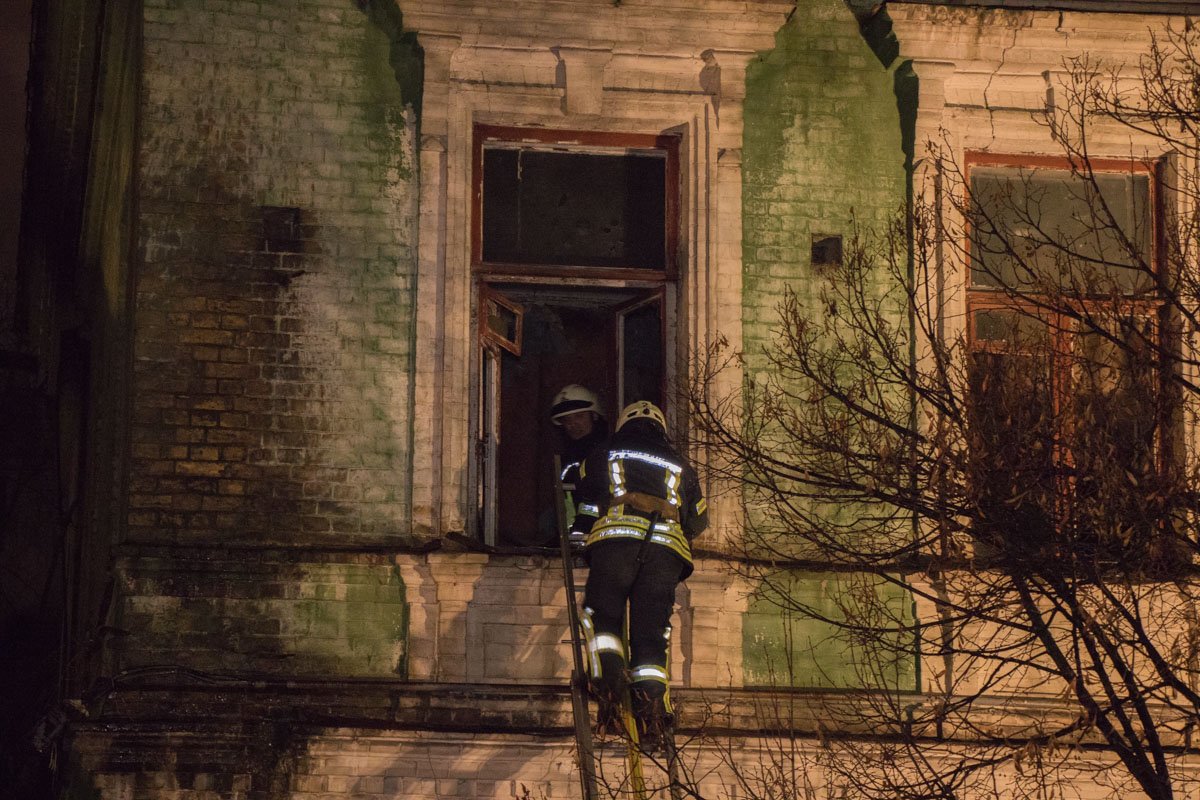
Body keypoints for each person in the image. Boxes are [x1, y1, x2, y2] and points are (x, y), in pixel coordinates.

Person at [569, 400, 708, 746]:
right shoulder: (683, 466)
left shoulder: (604, 453)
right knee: (651, 634)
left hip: (617, 543)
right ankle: (652, 711)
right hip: (666, 554)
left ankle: (610, 688)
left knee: (602, 616)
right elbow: (699, 520)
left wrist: (577, 535)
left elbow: (585, 495)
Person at [548, 384, 608, 546]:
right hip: (575, 542)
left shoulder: (605, 455)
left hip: (599, 540)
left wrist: (580, 531)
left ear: (594, 416)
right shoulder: (567, 460)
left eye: (579, 416)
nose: (573, 424)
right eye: (567, 420)